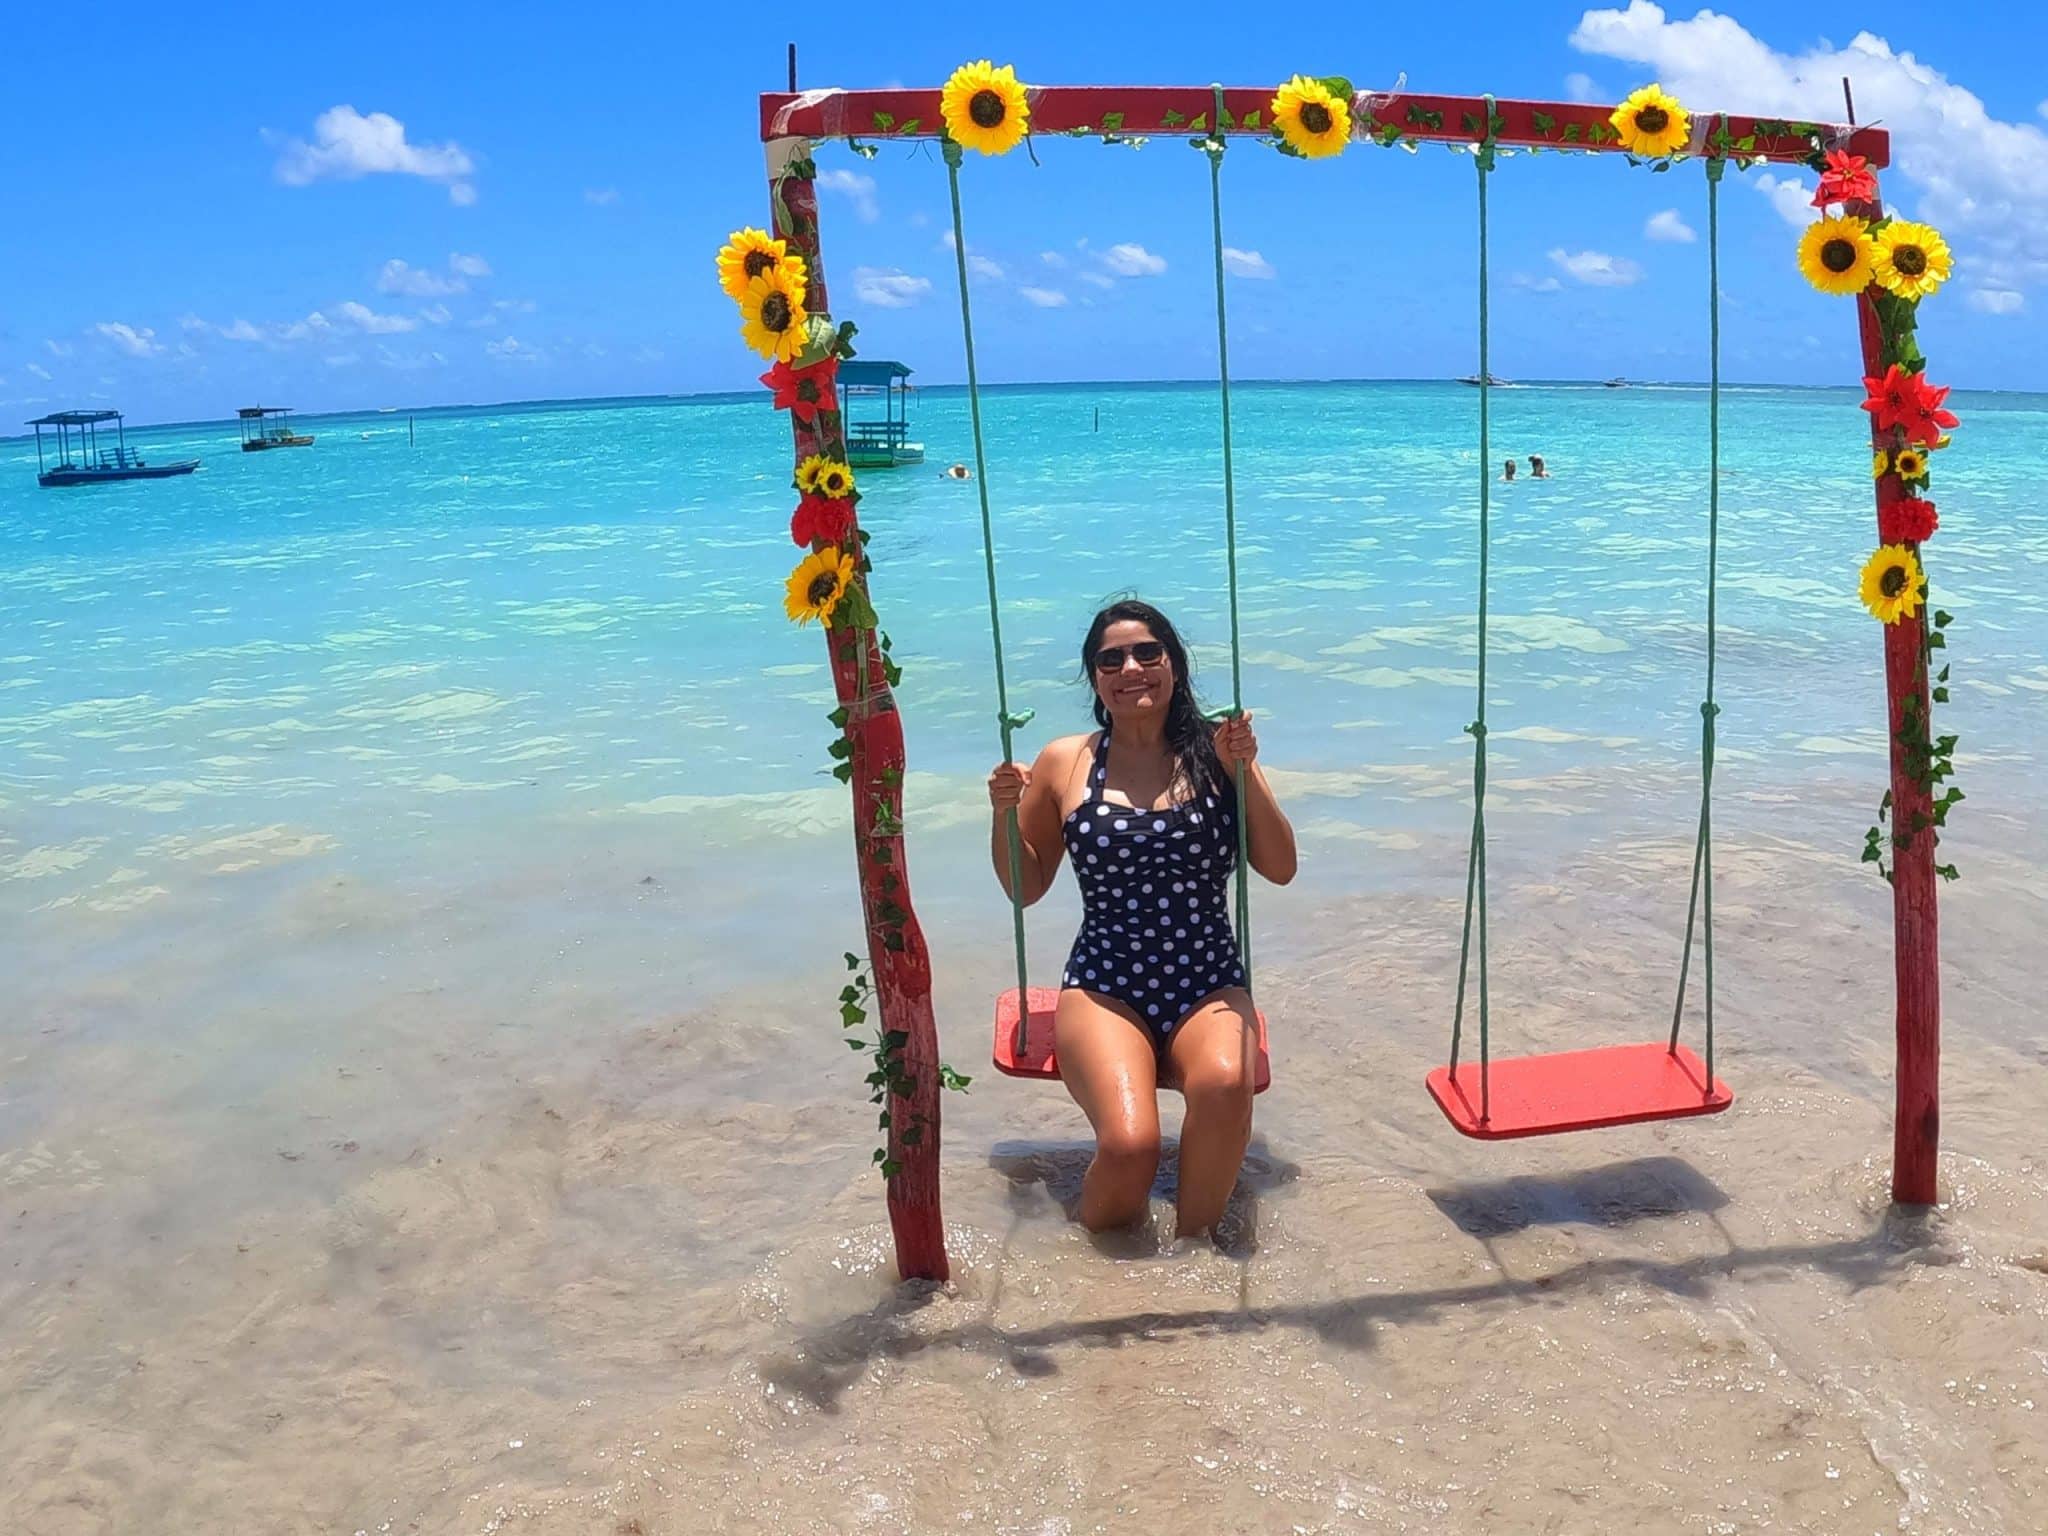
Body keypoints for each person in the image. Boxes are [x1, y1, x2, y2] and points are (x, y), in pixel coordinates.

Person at [985, 599, 1297, 1237]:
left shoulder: (1216, 753)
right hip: (1106, 983)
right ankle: (1099, 1268)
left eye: (1147, 652)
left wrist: (1246, 768)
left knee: (1227, 1084)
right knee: (1131, 1147)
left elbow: (1281, 865)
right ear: (1095, 679)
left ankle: (1192, 1254)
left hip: (1207, 978)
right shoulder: (1065, 761)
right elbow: (1027, 887)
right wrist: (1001, 813)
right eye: (1111, 659)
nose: (1131, 668)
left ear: (1174, 666)